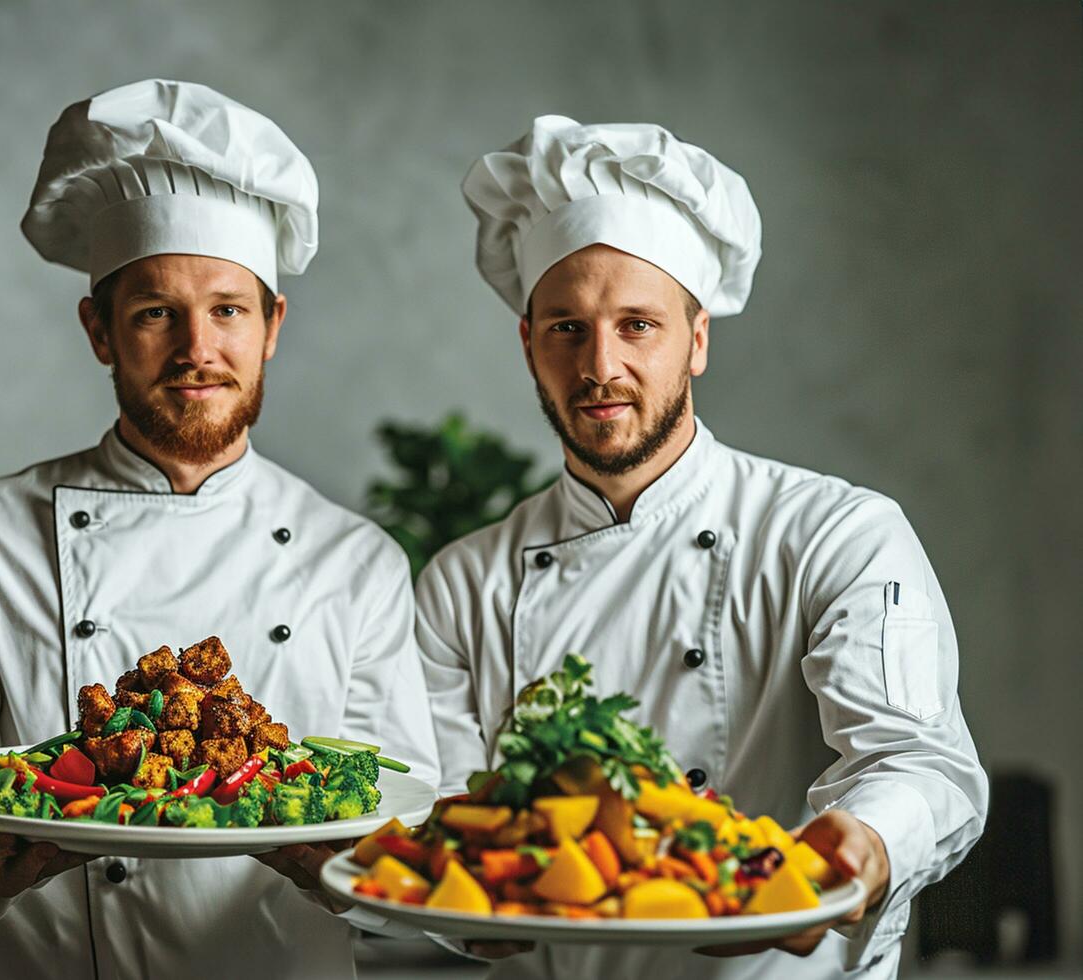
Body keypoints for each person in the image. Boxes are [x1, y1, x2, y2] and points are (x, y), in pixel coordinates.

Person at [0, 78, 439, 979]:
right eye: (157, 311)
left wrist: (352, 863)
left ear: (273, 325)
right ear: (99, 330)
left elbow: (400, 803)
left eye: (228, 309)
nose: (197, 348)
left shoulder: (355, 562)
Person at [415, 115, 987, 978]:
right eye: (566, 328)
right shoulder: (465, 583)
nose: (600, 364)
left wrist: (862, 846)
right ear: (529, 344)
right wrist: (457, 909)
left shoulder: (836, 533)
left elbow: (915, 760)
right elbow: (444, 818)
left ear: (699, 338)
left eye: (637, 324)